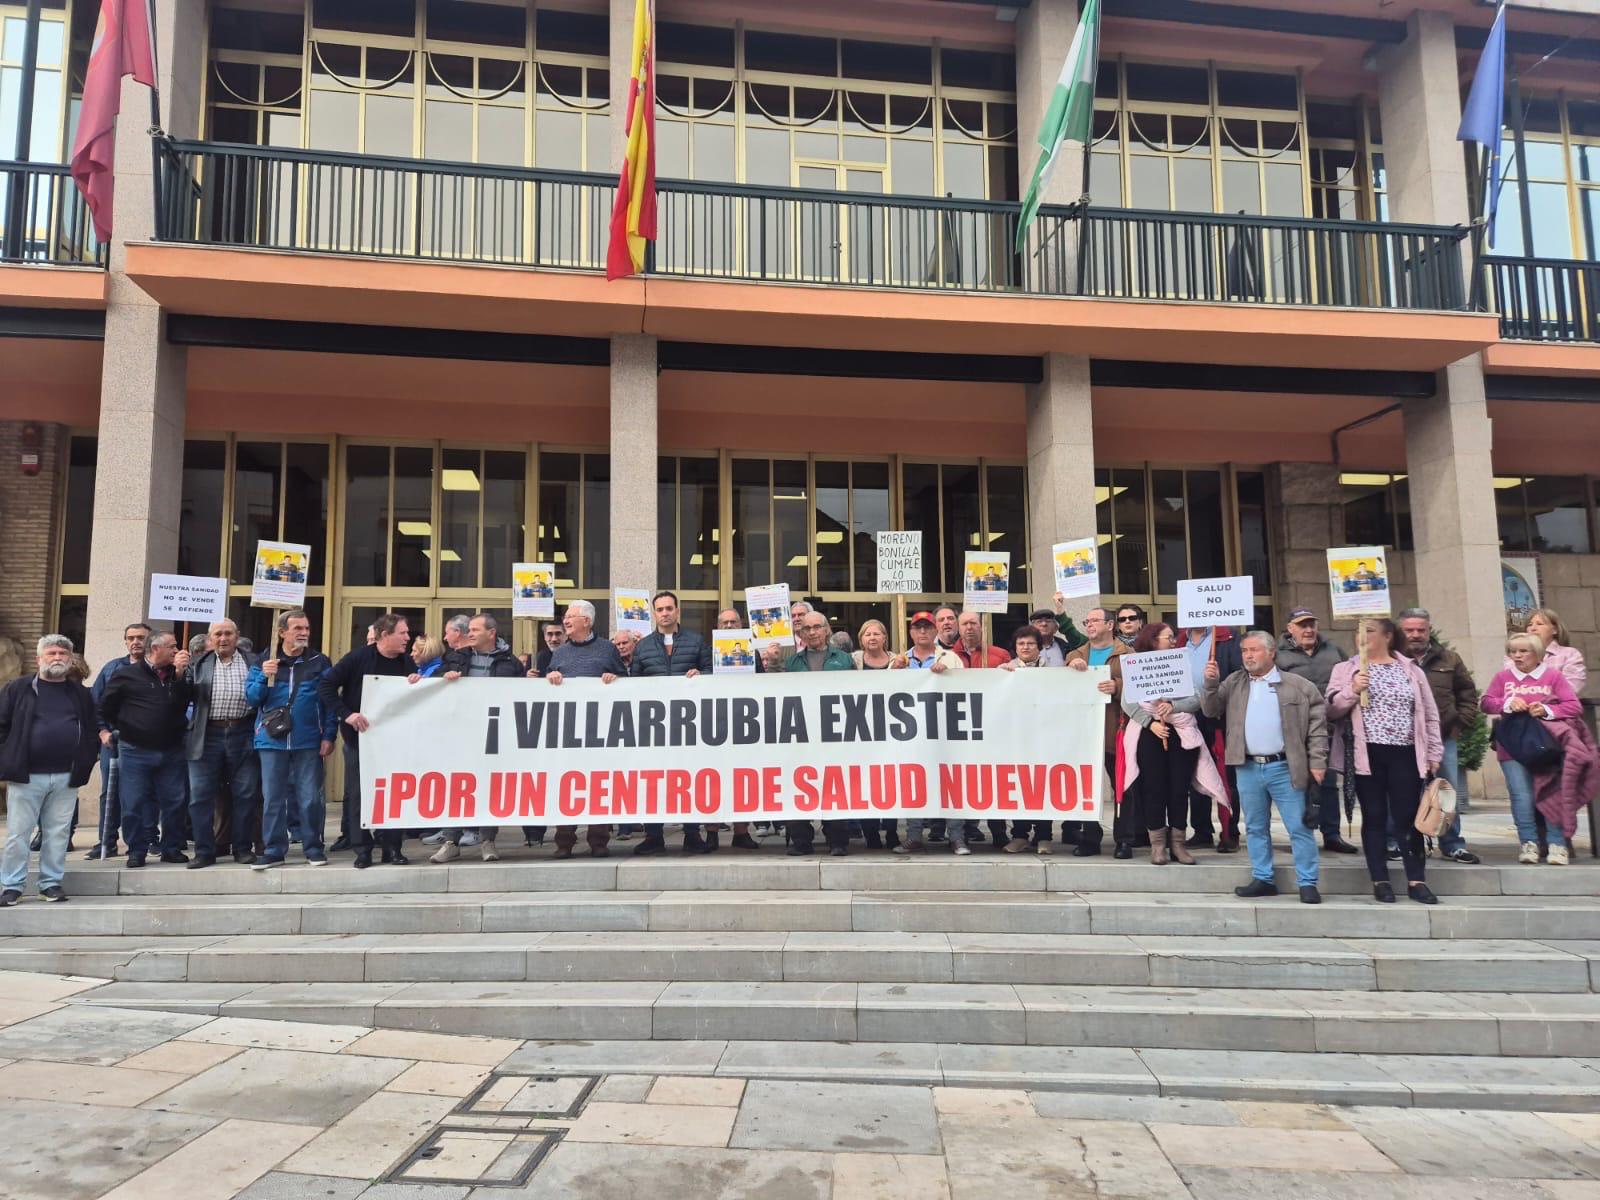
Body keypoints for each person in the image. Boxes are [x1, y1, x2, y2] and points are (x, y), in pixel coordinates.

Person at [1203, 631, 1328, 905]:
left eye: (1254, 650)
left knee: (1298, 827)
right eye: (1244, 650)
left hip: (1285, 766)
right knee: (1255, 827)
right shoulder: (1234, 682)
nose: (1248, 656)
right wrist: (1210, 684)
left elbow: (1318, 728)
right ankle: (1263, 878)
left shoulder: (1298, 686)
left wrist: (1318, 761)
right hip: (1248, 767)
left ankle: (1307, 882)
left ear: (1271, 652)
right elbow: (1211, 710)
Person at [1326, 618, 1443, 905]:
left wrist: (1434, 753)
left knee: (1408, 816)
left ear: (1388, 636)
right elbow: (1331, 709)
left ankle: (1417, 880)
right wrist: (1352, 690)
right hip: (1367, 754)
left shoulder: (1411, 669)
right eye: (1358, 631)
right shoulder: (1345, 669)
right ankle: (1380, 880)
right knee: (1374, 815)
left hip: (1405, 752)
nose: (1361, 636)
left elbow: (1429, 714)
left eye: (1369, 631)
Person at [1481, 631, 1598, 866]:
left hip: (1547, 747)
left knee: (1552, 792)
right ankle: (1529, 843)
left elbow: (1573, 706)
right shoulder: (1503, 677)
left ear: (1537, 653)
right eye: (1512, 651)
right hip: (1512, 747)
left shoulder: (1553, 676)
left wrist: (1546, 710)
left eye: (1523, 651)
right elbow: (1486, 703)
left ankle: (1557, 844)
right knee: (1521, 796)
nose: (1517, 656)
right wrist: (1507, 703)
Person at [0, 635, 100, 905]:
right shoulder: (18, 688)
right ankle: (12, 886)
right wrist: (7, 758)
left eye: (62, 654)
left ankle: (50, 884)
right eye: (52, 653)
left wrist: (87, 758)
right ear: (39, 659)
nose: (57, 658)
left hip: (66, 776)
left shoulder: (80, 693)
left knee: (58, 834)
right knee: (19, 834)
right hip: (27, 776)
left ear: (70, 659)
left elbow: (91, 729)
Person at [1121, 623, 1226, 865]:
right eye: (1167, 637)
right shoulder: (1135, 664)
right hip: (1149, 734)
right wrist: (1150, 723)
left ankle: (1178, 843)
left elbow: (1196, 699)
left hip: (1180, 731)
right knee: (1154, 788)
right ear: (1153, 640)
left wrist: (1173, 706)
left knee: (1179, 789)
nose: (1172, 641)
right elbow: (1128, 702)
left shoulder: (1182, 663)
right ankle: (1158, 845)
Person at [320, 612, 416, 869]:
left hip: (394, 741)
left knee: (394, 792)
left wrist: (416, 683)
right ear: (385, 635)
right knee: (359, 794)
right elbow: (326, 685)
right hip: (359, 739)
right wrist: (346, 714)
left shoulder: (407, 662)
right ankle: (362, 850)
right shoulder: (357, 658)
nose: (408, 637)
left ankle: (392, 848)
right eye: (403, 633)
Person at [428, 613, 523, 864]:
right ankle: (451, 841)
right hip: (461, 733)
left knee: (490, 786)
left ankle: (487, 841)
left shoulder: (511, 663)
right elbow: (432, 684)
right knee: (456, 784)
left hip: (494, 734)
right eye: (468, 629)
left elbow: (522, 695)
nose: (469, 634)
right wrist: (444, 678)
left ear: (491, 633)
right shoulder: (456, 658)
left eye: (475, 630)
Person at [246, 609, 336, 870]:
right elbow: (252, 698)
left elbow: (329, 701)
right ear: (282, 632)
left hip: (308, 741)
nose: (304, 633)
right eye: (298, 628)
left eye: (306, 628)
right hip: (271, 741)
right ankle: (274, 850)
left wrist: (329, 735)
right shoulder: (264, 660)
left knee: (310, 798)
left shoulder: (319, 661)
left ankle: (313, 847)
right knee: (273, 798)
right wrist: (263, 676)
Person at [99, 630, 192, 868]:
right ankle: (136, 850)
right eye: (172, 646)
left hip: (171, 749)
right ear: (155, 649)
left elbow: (184, 704)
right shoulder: (127, 674)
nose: (176, 650)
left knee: (174, 801)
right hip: (135, 750)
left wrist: (179, 676)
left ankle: (171, 848)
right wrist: (116, 728)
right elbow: (106, 707)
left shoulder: (178, 675)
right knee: (133, 802)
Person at [632, 590, 714, 856]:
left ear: (678, 611)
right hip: (653, 727)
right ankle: (653, 836)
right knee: (652, 781)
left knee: (689, 778)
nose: (665, 613)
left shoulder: (696, 641)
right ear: (654, 614)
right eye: (660, 609)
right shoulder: (643, 647)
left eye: (669, 608)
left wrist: (700, 675)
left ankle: (692, 834)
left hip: (689, 725)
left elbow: (711, 673)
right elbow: (633, 684)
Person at [1398, 608, 1481, 865]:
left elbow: (1468, 694)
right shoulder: (1392, 658)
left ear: (1429, 630)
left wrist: (1458, 724)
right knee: (1400, 791)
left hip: (1443, 738)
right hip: (1403, 740)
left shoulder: (1450, 659)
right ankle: (1401, 842)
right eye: (1409, 630)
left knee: (1446, 791)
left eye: (1420, 630)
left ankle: (1452, 844)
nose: (1415, 635)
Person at [1503, 608, 1587, 862]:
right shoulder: (1513, 656)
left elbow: (1570, 690)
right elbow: (1504, 691)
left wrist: (1540, 700)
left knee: (1554, 786)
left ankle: (1559, 841)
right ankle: (1534, 841)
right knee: (1523, 791)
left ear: (1554, 629)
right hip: (1520, 732)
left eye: (1539, 623)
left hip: (1555, 731)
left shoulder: (1568, 655)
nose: (1532, 627)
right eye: (1530, 624)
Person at [545, 599, 626, 859]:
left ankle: (598, 840)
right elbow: (545, 688)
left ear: (587, 621)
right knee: (566, 785)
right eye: (566, 617)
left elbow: (627, 682)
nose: (566, 620)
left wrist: (615, 679)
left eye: (571, 616)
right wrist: (550, 678)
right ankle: (564, 841)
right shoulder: (560, 653)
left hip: (599, 732)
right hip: (567, 732)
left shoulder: (607, 650)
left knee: (598, 786)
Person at [1275, 608, 1358, 854]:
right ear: (1290, 628)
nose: (1309, 630)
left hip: (1328, 727)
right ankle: (1301, 835)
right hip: (1294, 730)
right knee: (1298, 785)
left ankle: (1332, 834)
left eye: (1312, 624)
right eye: (1303, 625)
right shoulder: (1278, 655)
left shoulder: (1334, 651)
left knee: (1328, 783)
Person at [184, 618, 261, 869]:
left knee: (245, 794)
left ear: (237, 636)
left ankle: (242, 848)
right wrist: (179, 674)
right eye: (218, 634)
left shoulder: (254, 662)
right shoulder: (197, 664)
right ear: (210, 638)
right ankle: (204, 852)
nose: (223, 638)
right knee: (200, 796)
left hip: (243, 733)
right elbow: (180, 697)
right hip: (206, 736)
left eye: (228, 633)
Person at [786, 609, 854, 856]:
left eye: (817, 627)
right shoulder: (792, 663)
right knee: (797, 787)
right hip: (801, 736)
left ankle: (837, 841)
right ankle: (801, 841)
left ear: (827, 630)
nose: (812, 632)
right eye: (807, 628)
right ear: (800, 633)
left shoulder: (844, 660)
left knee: (834, 788)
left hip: (834, 735)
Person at [896, 612, 965, 855]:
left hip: (945, 730)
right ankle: (914, 836)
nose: (923, 632)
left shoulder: (951, 658)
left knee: (950, 782)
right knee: (914, 782)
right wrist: (894, 672)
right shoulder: (900, 661)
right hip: (911, 733)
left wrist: (948, 674)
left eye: (927, 627)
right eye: (918, 628)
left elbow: (965, 688)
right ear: (911, 632)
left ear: (935, 631)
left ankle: (957, 837)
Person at [86, 622, 150, 859]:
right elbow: (95, 703)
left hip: (147, 742)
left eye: (141, 637)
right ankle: (107, 840)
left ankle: (147, 839)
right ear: (125, 641)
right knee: (110, 792)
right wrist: (102, 731)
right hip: (113, 740)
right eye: (131, 638)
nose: (135, 642)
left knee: (145, 792)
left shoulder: (158, 669)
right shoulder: (112, 668)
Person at [1064, 607, 1123, 858]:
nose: (1089, 625)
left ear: (1110, 625)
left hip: (1115, 730)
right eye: (1086, 621)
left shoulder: (1127, 654)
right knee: (1086, 787)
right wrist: (1070, 664)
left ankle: (1123, 839)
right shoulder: (1076, 654)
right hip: (1084, 731)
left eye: (1094, 620)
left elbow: (1140, 687)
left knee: (1121, 788)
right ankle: (1090, 838)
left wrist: (1118, 686)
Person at [1181, 625, 1243, 853]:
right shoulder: (1180, 639)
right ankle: (1201, 831)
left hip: (1218, 715)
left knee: (1226, 777)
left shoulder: (1226, 636)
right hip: (1188, 714)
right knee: (1196, 774)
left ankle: (1229, 832)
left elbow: (1239, 674)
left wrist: (1216, 683)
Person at [999, 626, 1054, 855]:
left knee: (1043, 787)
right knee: (1018, 787)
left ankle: (1044, 836)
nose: (1026, 647)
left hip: (1044, 737)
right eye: (1021, 643)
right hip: (1016, 739)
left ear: (1039, 647)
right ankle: (1020, 835)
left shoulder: (1053, 671)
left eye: (1030, 643)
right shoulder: (1005, 670)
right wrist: (999, 676)